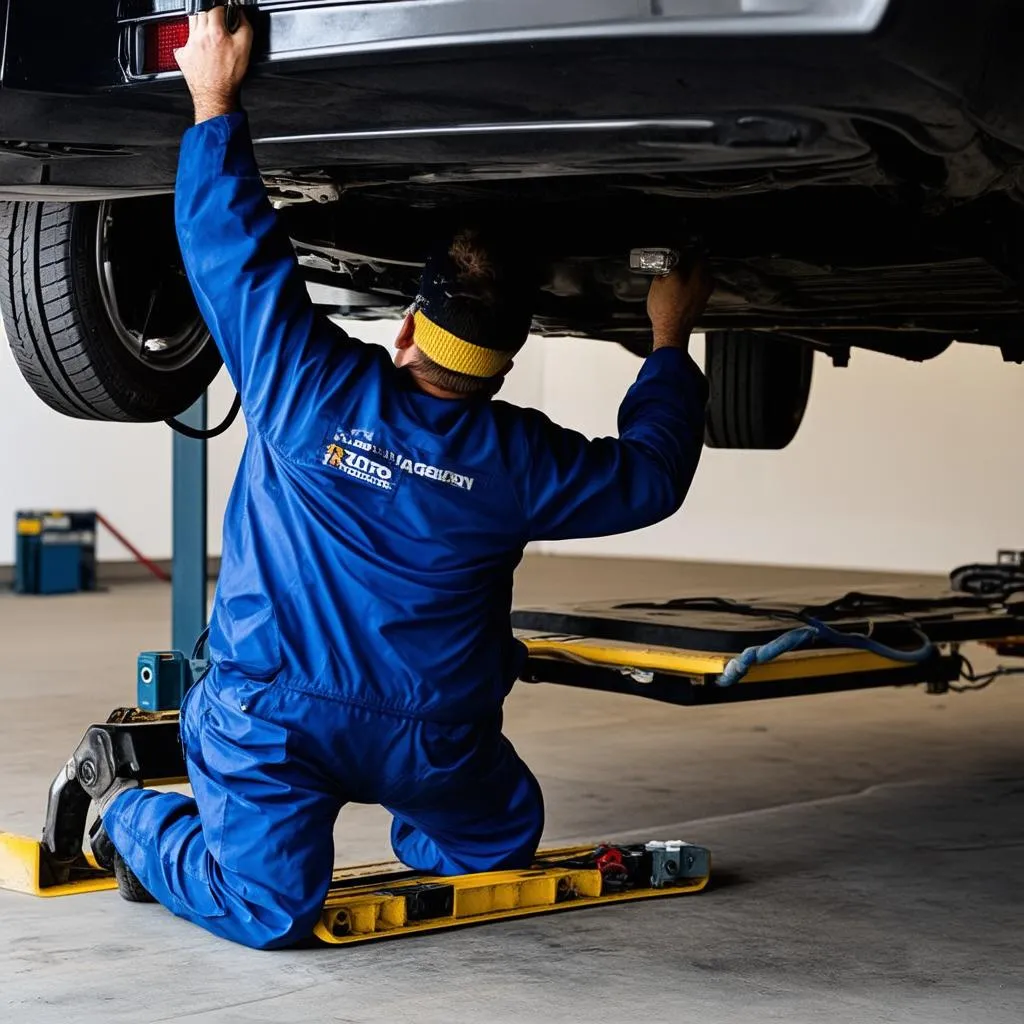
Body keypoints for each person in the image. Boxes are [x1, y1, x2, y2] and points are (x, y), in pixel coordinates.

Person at [78, 8, 713, 949]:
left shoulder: (307, 385)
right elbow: (651, 477)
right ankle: (131, 820)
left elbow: (234, 259)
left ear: (408, 329)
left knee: (275, 906)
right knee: (491, 845)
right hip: (341, 721)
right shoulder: (521, 463)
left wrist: (213, 98)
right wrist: (669, 336)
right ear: (502, 363)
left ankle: (159, 825)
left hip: (320, 724)